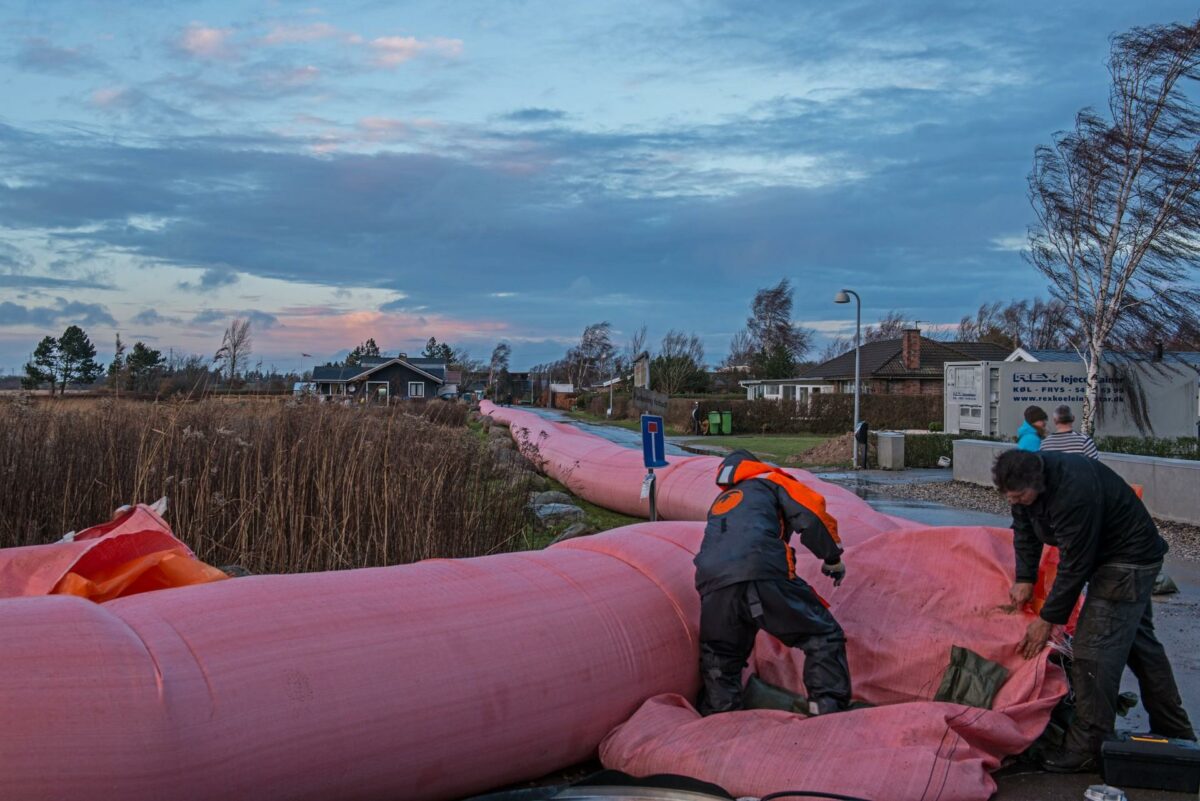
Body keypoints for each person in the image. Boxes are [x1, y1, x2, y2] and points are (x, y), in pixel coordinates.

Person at [993, 449, 1195, 772]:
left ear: (1038, 483)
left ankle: (1089, 745)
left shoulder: (1073, 491)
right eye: (1010, 497)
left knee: (1093, 649)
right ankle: (1175, 730)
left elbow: (1075, 564)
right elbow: (1025, 532)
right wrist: (1025, 577)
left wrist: (1047, 620)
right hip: (1116, 556)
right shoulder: (1024, 491)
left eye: (1019, 496)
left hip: (1127, 560)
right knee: (1140, 647)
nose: (1015, 502)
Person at [694, 449, 851, 717]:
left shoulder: (721, 502)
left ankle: (721, 723)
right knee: (823, 635)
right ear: (754, 466)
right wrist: (832, 557)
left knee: (720, 657)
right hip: (762, 569)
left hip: (712, 582)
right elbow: (812, 515)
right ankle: (825, 709)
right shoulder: (772, 481)